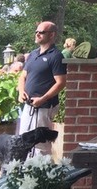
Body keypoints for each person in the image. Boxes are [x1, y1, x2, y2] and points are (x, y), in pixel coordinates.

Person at [16, 21, 67, 156]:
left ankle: (41, 172)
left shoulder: (56, 56)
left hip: (44, 107)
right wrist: (21, 92)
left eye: (41, 32)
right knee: (24, 139)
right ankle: (25, 171)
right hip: (29, 105)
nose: (37, 34)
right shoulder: (33, 54)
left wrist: (43, 98)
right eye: (36, 32)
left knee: (40, 145)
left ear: (52, 35)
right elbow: (22, 76)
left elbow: (61, 83)